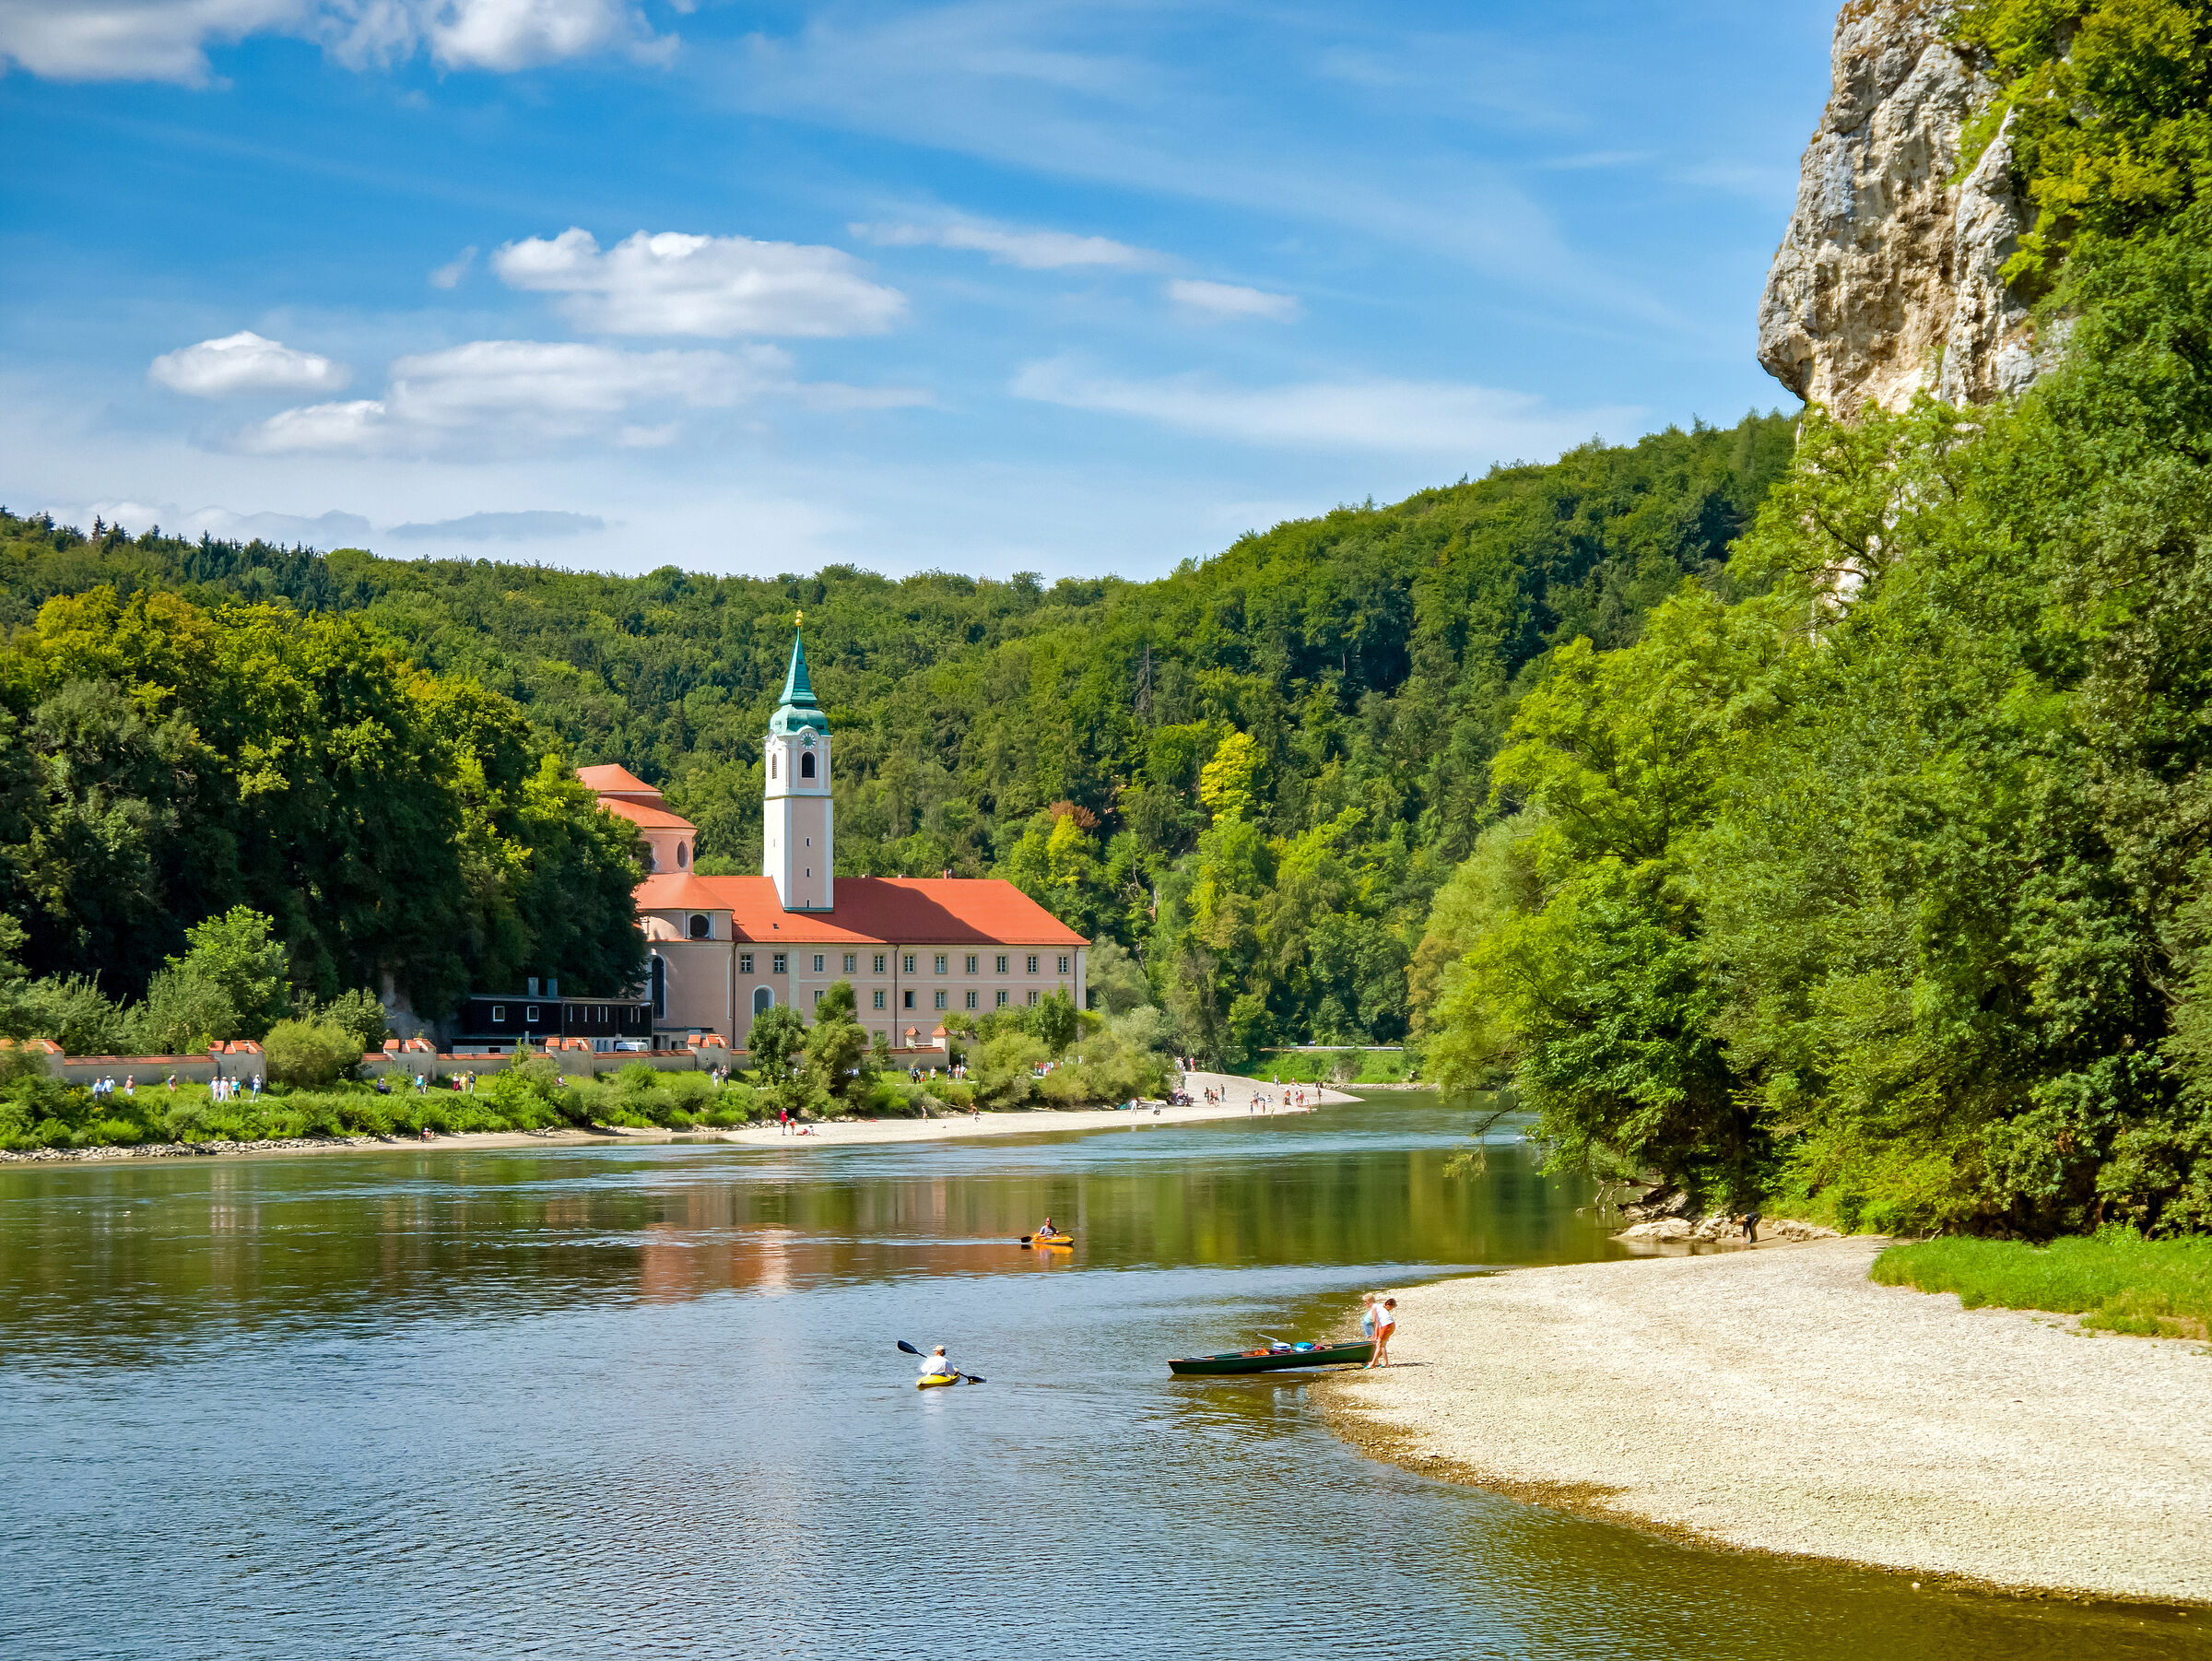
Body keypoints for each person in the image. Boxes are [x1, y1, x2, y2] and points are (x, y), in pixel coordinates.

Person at [1368, 1297, 1398, 1367]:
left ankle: (1373, 1363)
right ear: (1387, 1305)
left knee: (1379, 1344)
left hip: (1387, 1325)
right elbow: (1377, 1323)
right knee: (1382, 1345)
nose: (1390, 1309)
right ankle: (1385, 1363)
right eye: (1391, 1308)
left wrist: (1376, 1336)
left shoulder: (1377, 1306)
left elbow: (1376, 1322)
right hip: (1390, 1325)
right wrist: (1377, 1335)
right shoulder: (1378, 1307)